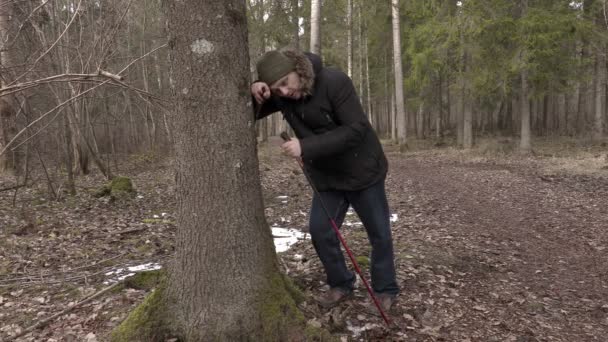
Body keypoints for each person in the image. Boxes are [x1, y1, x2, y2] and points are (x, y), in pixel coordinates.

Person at [251, 48, 399, 311]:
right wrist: (256, 89)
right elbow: (251, 110)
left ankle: (385, 289)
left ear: (298, 70)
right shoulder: (282, 96)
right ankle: (341, 283)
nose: (283, 92)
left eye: (285, 83)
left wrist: (305, 147)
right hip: (327, 178)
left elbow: (356, 129)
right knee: (320, 231)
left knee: (379, 233)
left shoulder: (334, 81)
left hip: (363, 170)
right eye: (276, 88)